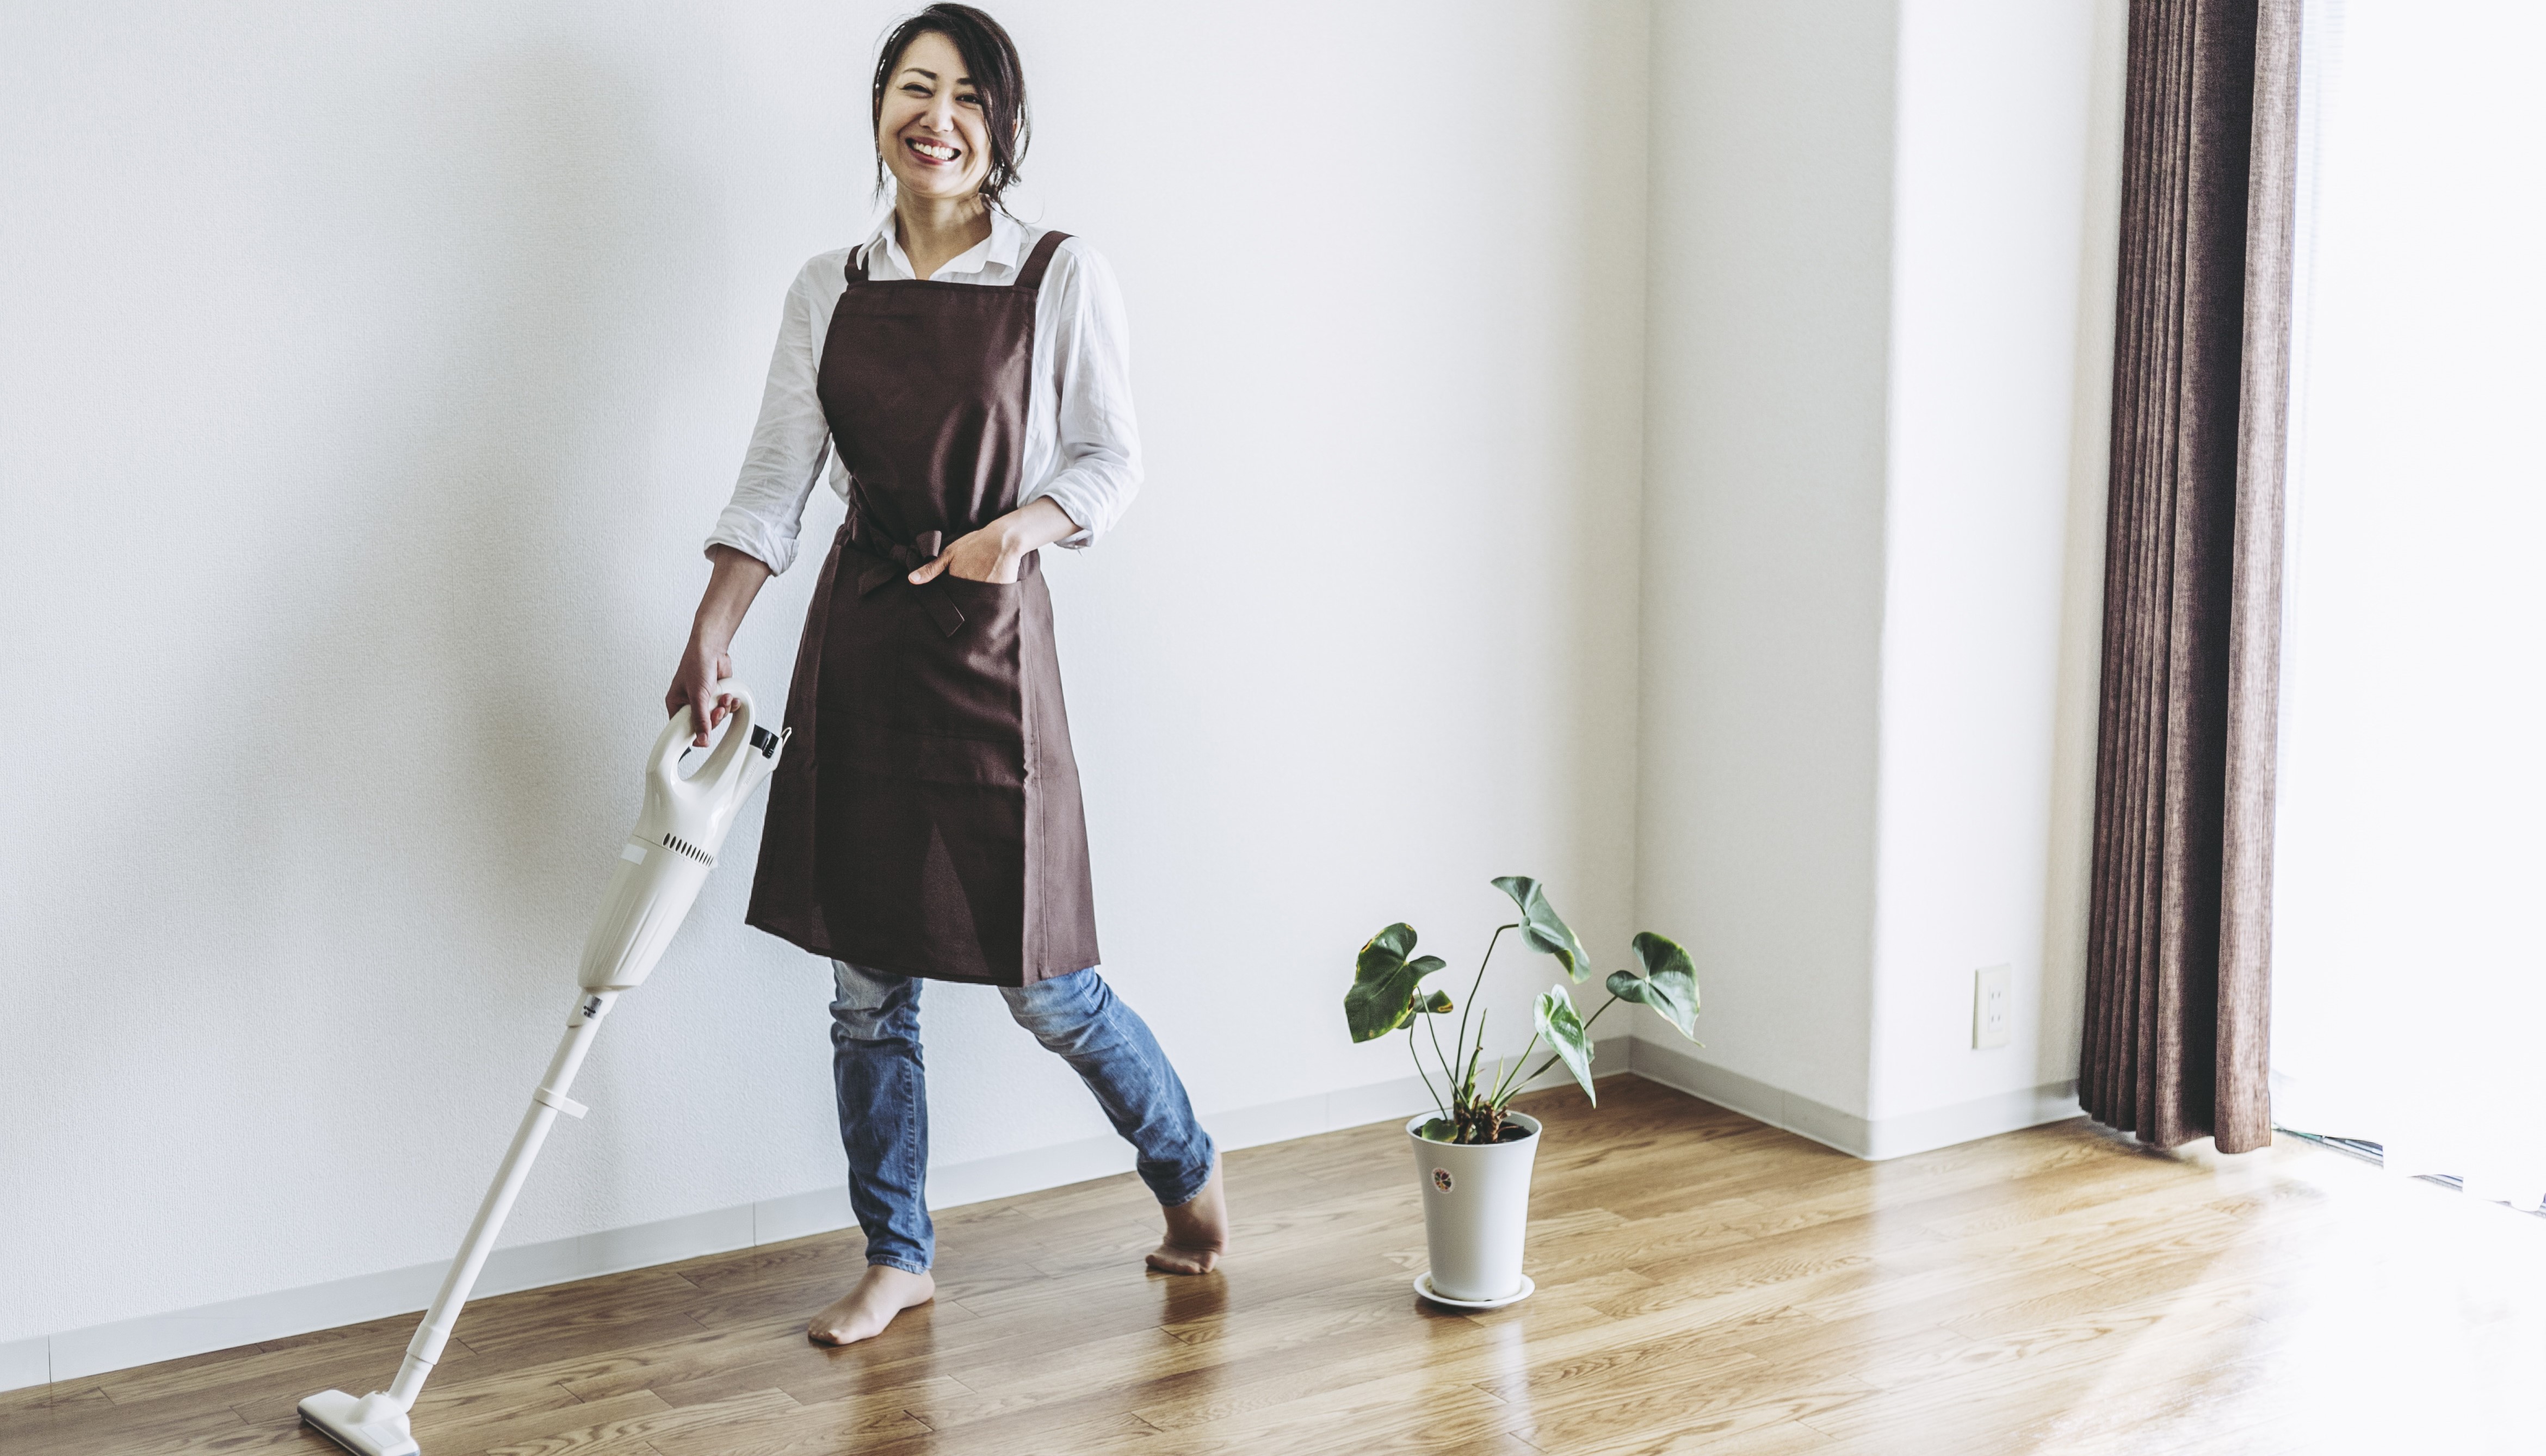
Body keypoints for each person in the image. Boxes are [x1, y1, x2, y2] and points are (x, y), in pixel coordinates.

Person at [664, 3, 1226, 1348]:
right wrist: (713, 627)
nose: (941, 117)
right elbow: (776, 478)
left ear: (1005, 127)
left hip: (989, 641)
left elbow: (1110, 458)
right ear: (878, 111)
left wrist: (1017, 532)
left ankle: (1189, 1173)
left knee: (1047, 980)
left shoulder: (1058, 273)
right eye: (916, 89)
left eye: (970, 96)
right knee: (867, 978)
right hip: (859, 640)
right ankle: (897, 1251)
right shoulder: (830, 287)